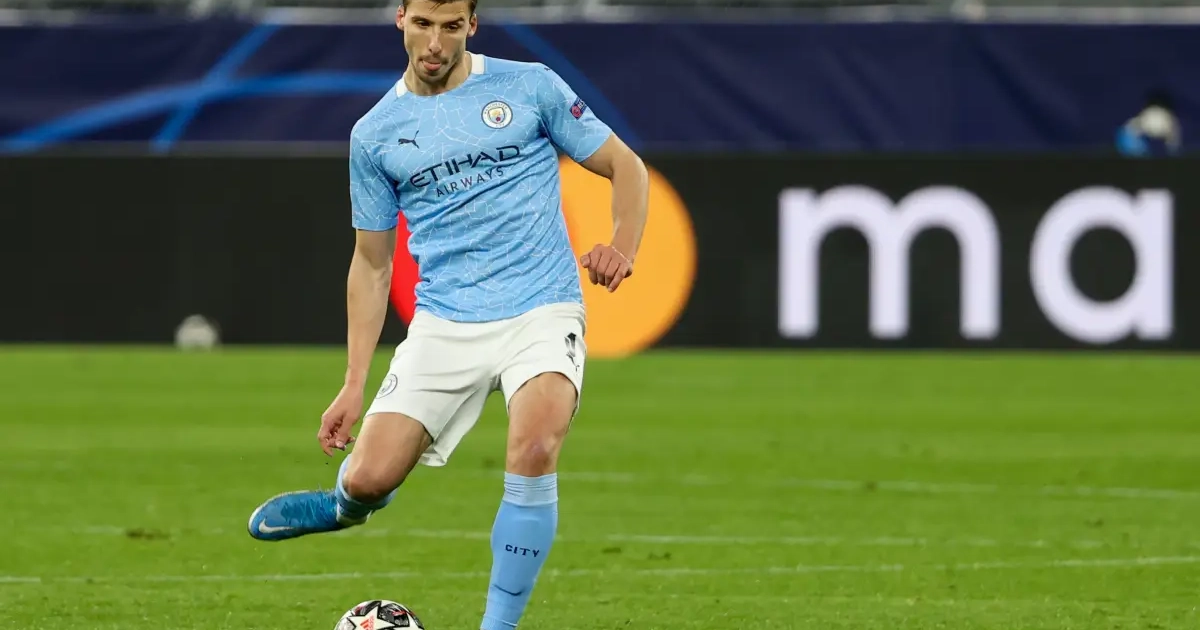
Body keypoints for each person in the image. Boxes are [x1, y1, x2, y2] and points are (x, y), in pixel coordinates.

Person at [245, 0, 649, 628]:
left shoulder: (530, 87)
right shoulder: (375, 134)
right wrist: (352, 383)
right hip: (445, 321)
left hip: (541, 306)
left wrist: (621, 246)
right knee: (372, 477)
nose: (436, 42)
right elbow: (372, 264)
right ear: (401, 18)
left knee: (536, 443)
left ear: (472, 26)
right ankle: (345, 506)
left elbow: (626, 165)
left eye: (452, 27)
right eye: (424, 24)